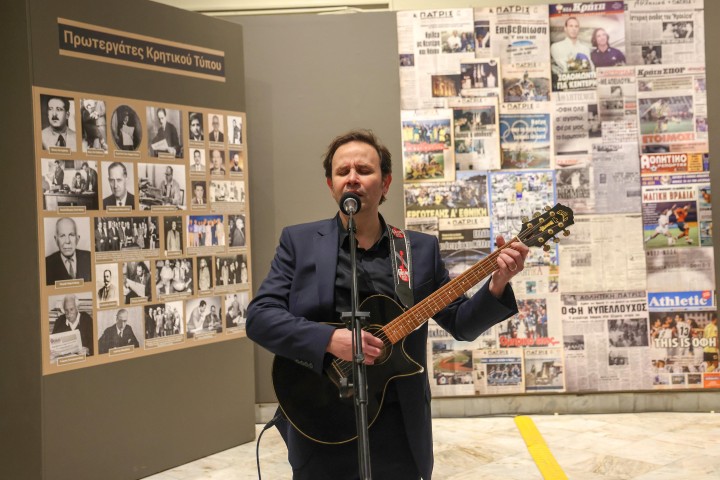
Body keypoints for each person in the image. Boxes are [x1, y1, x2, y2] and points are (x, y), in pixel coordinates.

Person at [246, 129, 528, 479]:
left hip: (397, 423)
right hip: (319, 413)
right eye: (342, 171)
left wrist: (497, 284)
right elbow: (260, 318)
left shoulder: (418, 250)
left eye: (364, 170)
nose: (352, 178)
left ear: (386, 183)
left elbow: (462, 324)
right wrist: (329, 340)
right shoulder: (299, 242)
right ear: (331, 185)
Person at [45, 217, 92, 285]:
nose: (67, 241)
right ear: (56, 240)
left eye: (71, 235)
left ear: (77, 238)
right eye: (62, 236)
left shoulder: (90, 258)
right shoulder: (46, 264)